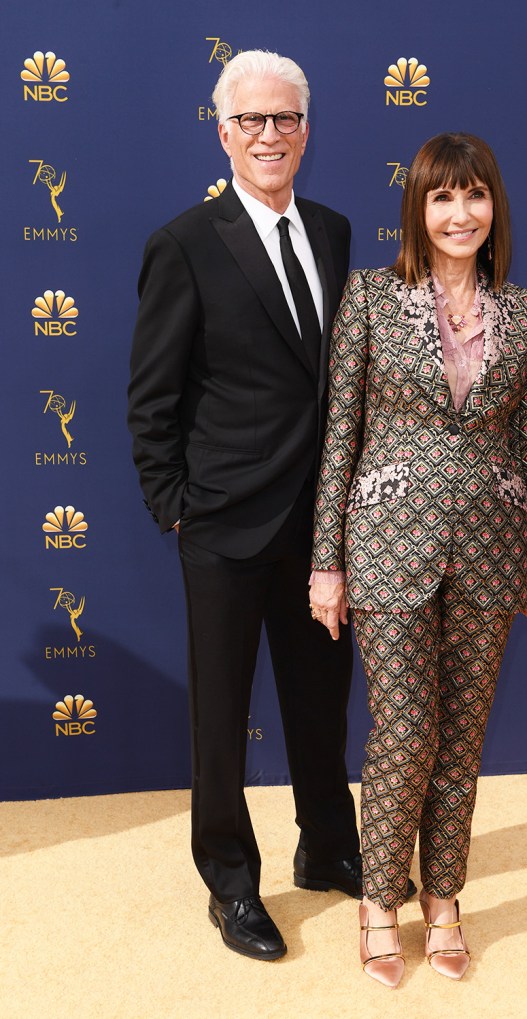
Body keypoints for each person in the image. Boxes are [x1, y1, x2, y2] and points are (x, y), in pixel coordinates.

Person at [309, 133, 527, 987]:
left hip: (491, 550)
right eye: (442, 198)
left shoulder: (524, 311)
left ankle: (445, 898)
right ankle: (381, 897)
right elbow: (340, 436)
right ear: (418, 209)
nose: (461, 214)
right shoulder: (372, 298)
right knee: (408, 729)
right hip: (386, 547)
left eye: (476, 196)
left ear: (494, 208)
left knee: (460, 742)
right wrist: (327, 563)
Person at [128, 50, 364, 963]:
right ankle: (230, 882)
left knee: (320, 701)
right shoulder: (184, 242)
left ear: (307, 130)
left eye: (286, 119)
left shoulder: (337, 232)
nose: (270, 135)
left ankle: (326, 845)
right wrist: (175, 506)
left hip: (321, 527)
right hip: (224, 526)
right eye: (252, 121)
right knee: (222, 718)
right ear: (222, 132)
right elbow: (152, 396)